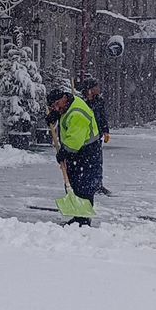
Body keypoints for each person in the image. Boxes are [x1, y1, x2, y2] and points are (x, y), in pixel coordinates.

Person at [46, 88, 102, 226]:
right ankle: (78, 217)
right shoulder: (68, 105)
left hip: (86, 153)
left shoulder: (77, 113)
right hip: (79, 152)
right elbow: (64, 116)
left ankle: (83, 220)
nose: (57, 108)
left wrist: (64, 153)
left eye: (57, 104)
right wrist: (55, 115)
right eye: (53, 106)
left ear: (64, 98)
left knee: (84, 186)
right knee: (74, 183)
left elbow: (75, 142)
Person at [80, 78, 112, 195]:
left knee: (97, 161)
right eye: (96, 87)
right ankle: (85, 184)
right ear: (90, 89)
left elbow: (102, 116)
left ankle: (97, 184)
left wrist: (105, 131)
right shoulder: (81, 102)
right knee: (84, 162)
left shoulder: (99, 101)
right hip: (84, 136)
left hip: (96, 135)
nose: (99, 89)